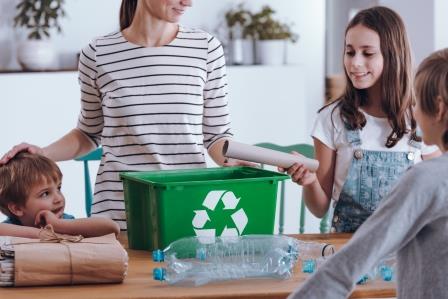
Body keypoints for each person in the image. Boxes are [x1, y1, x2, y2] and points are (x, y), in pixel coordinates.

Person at [0, 0, 248, 231]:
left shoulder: (205, 48)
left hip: (187, 209)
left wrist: (236, 159)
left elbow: (216, 136)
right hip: (117, 217)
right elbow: (88, 133)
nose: (188, 2)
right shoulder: (97, 53)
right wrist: (42, 154)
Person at [288, 47, 448, 299]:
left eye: (419, 103)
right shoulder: (332, 118)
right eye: (349, 52)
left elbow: (348, 266)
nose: (414, 112)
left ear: (438, 109)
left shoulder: (425, 179)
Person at [283, 6, 439, 233]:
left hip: (406, 250)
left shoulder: (419, 119)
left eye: (367, 53)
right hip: (348, 248)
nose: (355, 62)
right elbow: (319, 208)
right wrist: (309, 181)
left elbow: (439, 189)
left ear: (393, 56)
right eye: (350, 51)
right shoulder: (331, 119)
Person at [0, 152, 120, 238]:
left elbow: (112, 228)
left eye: (59, 188)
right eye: (45, 194)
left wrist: (58, 225)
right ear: (17, 208)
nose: (58, 198)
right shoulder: (11, 227)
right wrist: (43, 234)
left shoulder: (64, 222)